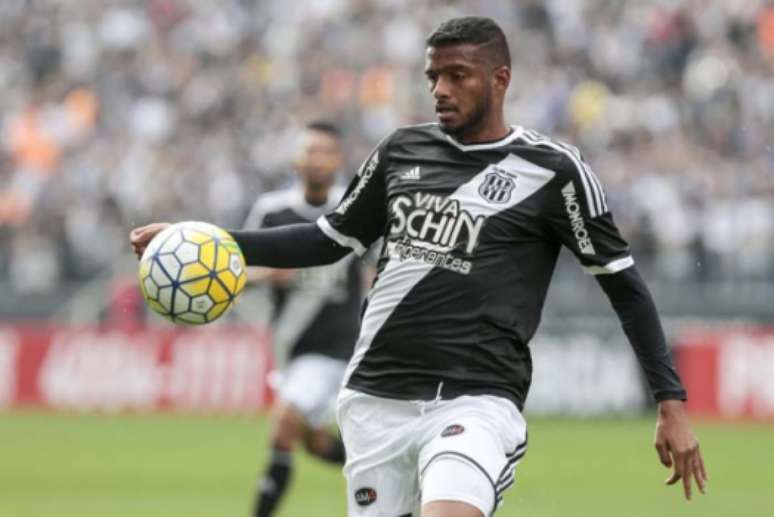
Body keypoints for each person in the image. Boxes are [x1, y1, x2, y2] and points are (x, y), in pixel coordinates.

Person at [131, 16, 707, 517]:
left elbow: (624, 286)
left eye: (458, 75)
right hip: (375, 396)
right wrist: (215, 241)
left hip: (476, 397)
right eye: (433, 76)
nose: (440, 89)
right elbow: (328, 238)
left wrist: (670, 402)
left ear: (500, 79)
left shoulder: (552, 171)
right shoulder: (401, 150)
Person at [242, 121, 362, 517]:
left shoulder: (355, 208)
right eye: (309, 151)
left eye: (325, 151)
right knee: (315, 443)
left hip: (344, 347)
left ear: (338, 159)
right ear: (296, 159)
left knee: (283, 423)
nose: (317, 159)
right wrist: (267, 276)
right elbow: (232, 275)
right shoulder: (272, 212)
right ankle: (388, 473)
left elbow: (377, 272)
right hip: (293, 350)